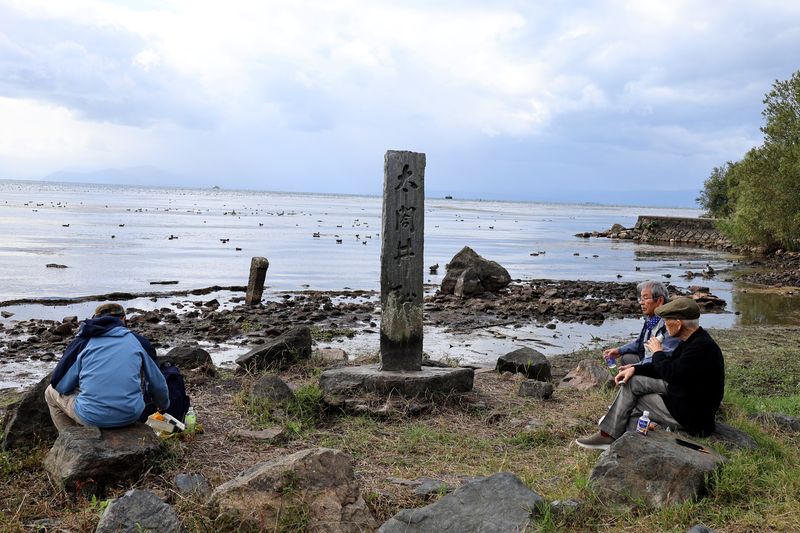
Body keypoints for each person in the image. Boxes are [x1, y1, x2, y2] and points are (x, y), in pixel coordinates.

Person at [576, 297, 724, 450]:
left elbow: (670, 374)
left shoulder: (701, 347)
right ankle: (617, 428)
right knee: (633, 384)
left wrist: (657, 352)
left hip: (691, 416)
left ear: (678, 323)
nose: (665, 325)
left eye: (667, 320)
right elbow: (671, 367)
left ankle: (609, 434)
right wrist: (635, 369)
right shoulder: (694, 340)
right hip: (684, 398)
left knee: (636, 400)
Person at [44, 302, 170, 431]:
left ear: (95, 319)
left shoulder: (82, 341)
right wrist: (163, 405)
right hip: (131, 414)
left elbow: (59, 385)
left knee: (49, 392)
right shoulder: (139, 342)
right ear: (123, 319)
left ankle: (70, 435)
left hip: (91, 416)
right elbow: (157, 383)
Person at [603, 281, 680, 366]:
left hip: (662, 366)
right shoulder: (650, 320)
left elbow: (666, 356)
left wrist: (637, 367)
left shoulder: (669, 323)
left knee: (631, 368)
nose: (641, 302)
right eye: (641, 299)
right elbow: (639, 343)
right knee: (626, 358)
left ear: (660, 300)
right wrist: (619, 350)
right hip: (648, 359)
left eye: (645, 298)